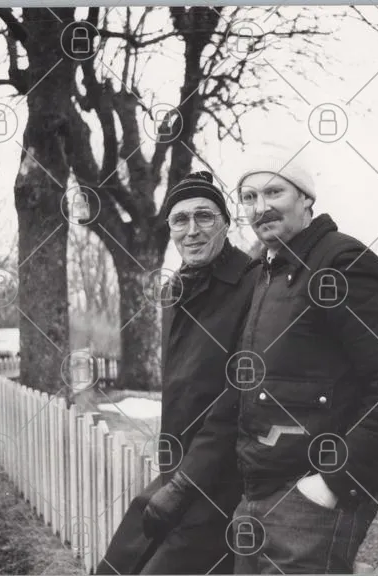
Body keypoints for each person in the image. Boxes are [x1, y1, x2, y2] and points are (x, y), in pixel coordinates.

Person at [157, 155, 378, 574]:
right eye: (249, 197)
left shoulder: (342, 263)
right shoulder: (269, 272)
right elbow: (243, 388)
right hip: (258, 494)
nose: (261, 207)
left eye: (274, 192)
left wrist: (332, 482)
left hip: (313, 499)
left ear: (306, 198)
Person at [95, 171, 261, 575]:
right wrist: (175, 476)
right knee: (115, 565)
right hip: (177, 473)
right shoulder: (174, 291)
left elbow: (239, 399)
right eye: (180, 219)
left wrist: (186, 484)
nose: (192, 230)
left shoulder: (254, 284)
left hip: (223, 481)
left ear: (226, 223)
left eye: (204, 216)